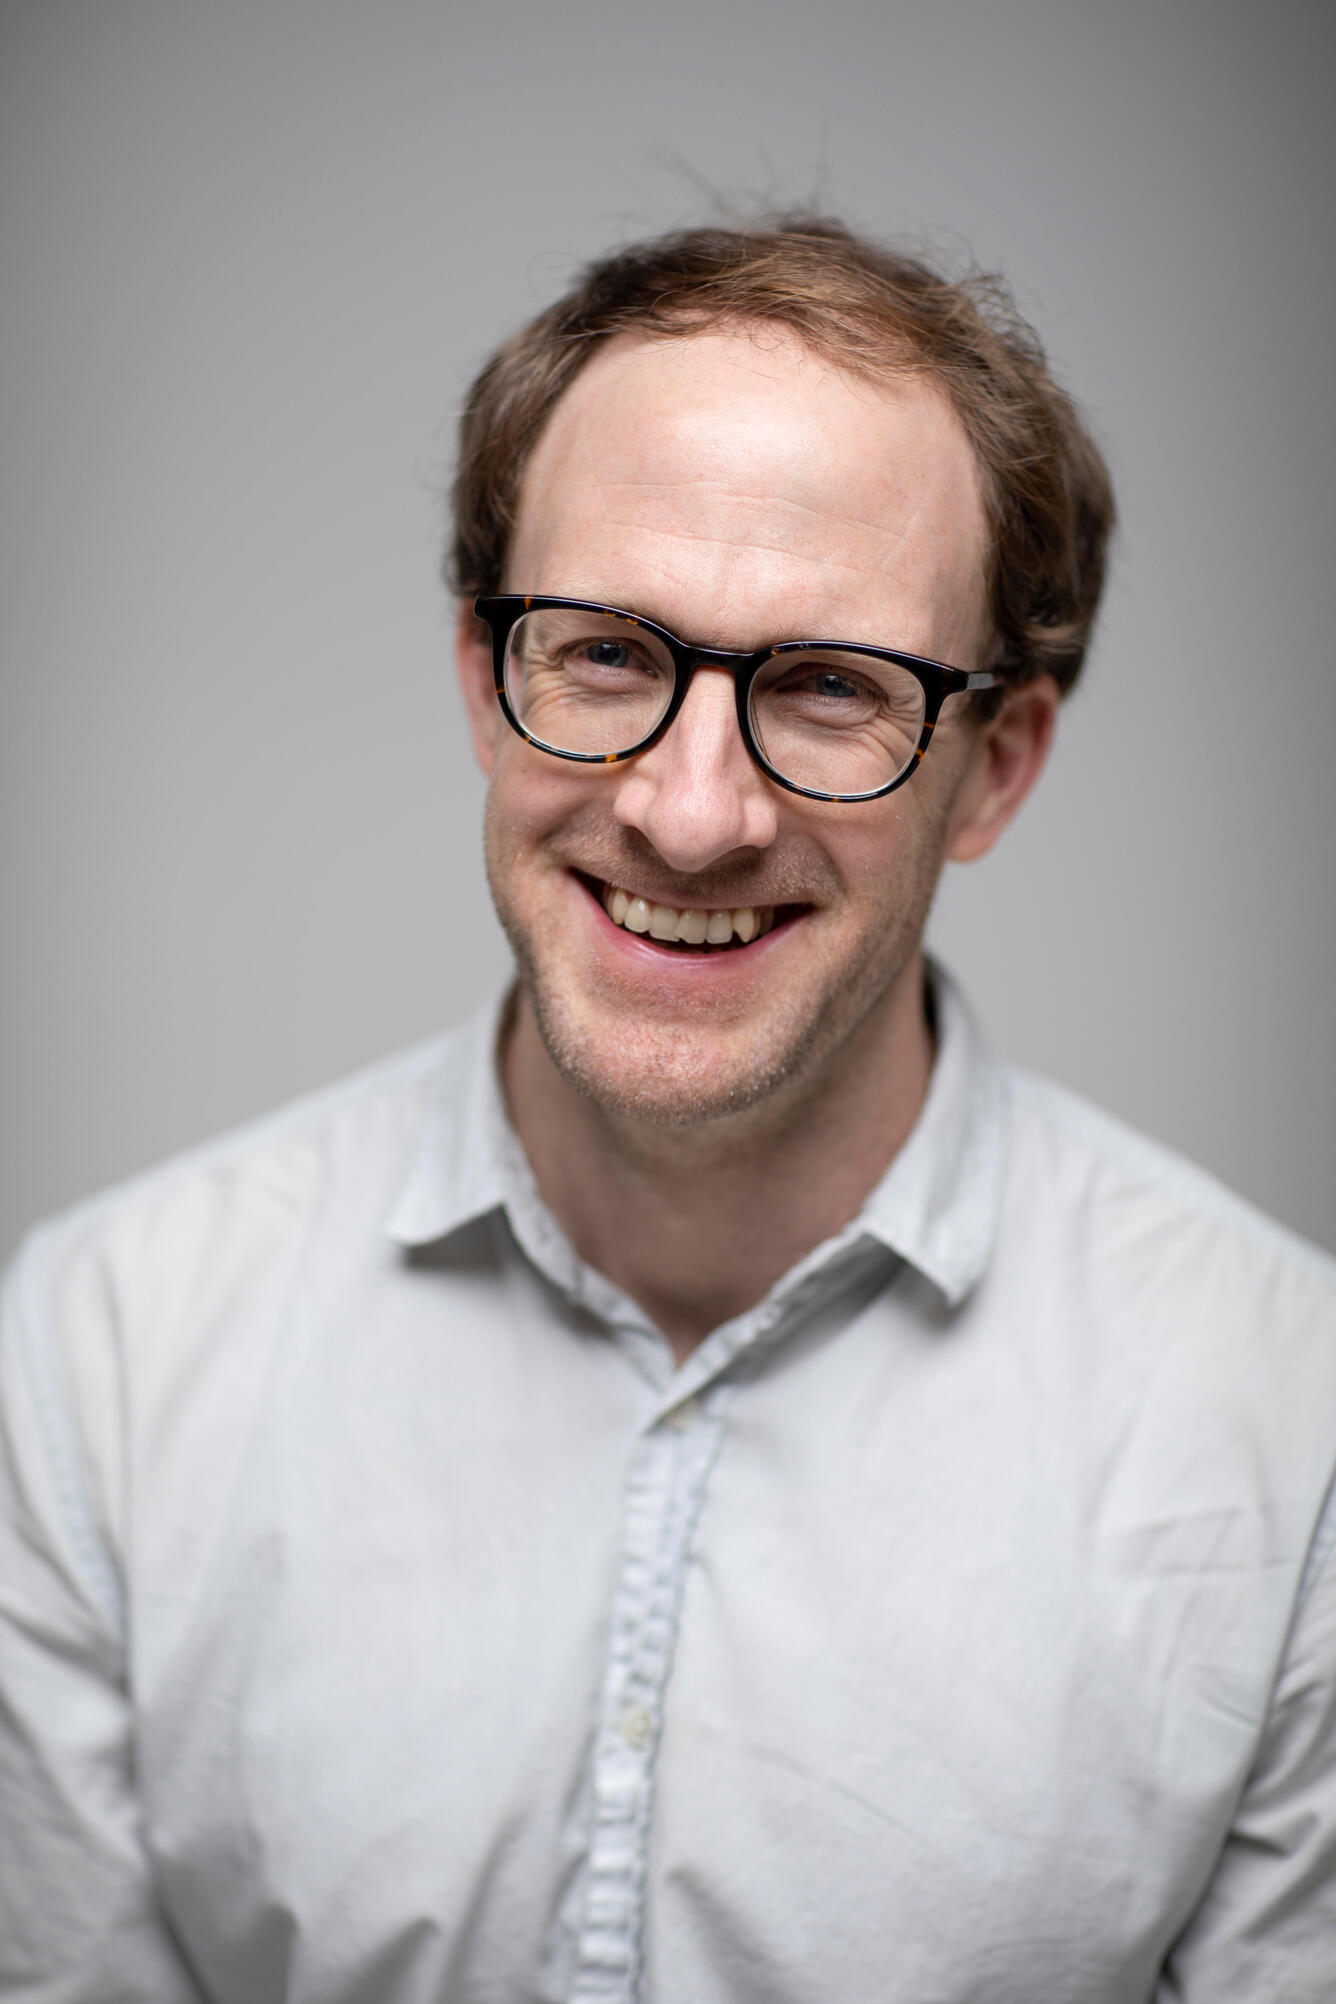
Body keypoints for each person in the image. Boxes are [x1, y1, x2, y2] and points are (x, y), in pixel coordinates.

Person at [1, 216, 1333, 2004]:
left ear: (993, 768)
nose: (691, 816)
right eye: (608, 656)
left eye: (831, 686)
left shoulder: (1292, 1437)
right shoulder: (100, 1357)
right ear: (487, 681)